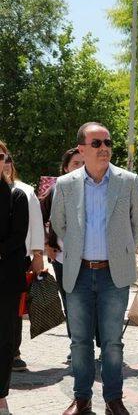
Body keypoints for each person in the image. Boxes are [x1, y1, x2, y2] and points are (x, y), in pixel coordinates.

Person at [51, 122, 138, 415]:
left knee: (112, 342)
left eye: (107, 143)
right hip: (77, 272)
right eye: (96, 144)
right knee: (79, 342)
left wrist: (120, 250)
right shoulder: (66, 184)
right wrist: (79, 247)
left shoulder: (128, 180)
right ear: (81, 149)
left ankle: (113, 398)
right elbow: (59, 223)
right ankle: (82, 398)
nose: (104, 148)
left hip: (113, 274)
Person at [40, 147, 85, 362]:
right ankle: (76, 346)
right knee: (71, 303)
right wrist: (46, 246)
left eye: (83, 163)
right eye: (76, 163)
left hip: (92, 260)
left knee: (92, 303)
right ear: (66, 167)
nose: (81, 167)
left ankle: (96, 344)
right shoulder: (55, 190)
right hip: (62, 259)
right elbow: (38, 218)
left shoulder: (98, 188)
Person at [3, 152, 45, 372]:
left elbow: (36, 225)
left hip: (19, 257)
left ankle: (14, 351)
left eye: (7, 158)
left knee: (14, 307)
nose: (5, 163)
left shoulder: (25, 191)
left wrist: (38, 256)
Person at [0, 141, 29, 415]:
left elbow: (18, 237)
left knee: (4, 338)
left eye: (1, 156)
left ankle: (0, 395)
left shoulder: (16, 195)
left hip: (5, 279)